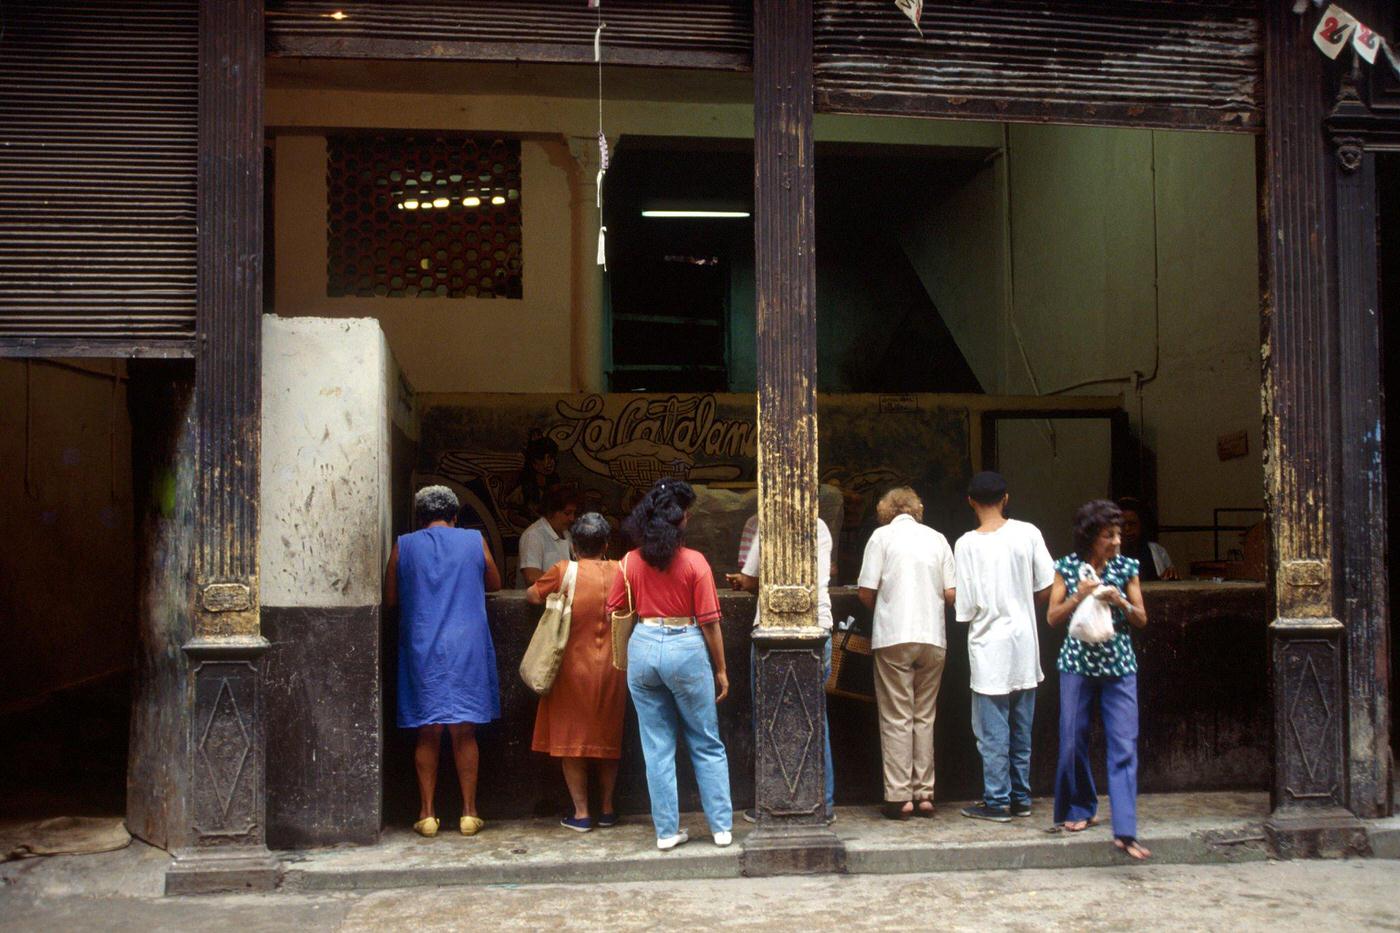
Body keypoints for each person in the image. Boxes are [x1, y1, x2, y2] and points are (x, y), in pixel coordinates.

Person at [606, 479, 733, 851]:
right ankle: (721, 828)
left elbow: (614, 609)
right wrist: (721, 669)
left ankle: (665, 832)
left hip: (642, 649)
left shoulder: (628, 561)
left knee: (657, 747)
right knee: (706, 742)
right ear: (681, 521)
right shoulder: (695, 563)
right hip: (686, 648)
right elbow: (710, 621)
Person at [385, 485, 503, 838]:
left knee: (428, 730)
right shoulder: (474, 541)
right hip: (466, 646)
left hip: (423, 646)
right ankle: (469, 813)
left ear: (420, 518)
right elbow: (495, 582)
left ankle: (427, 814)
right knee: (464, 731)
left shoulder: (403, 546)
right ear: (455, 516)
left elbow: (391, 598)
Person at [1046, 499, 1152, 861]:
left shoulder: (1127, 568)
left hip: (1119, 666)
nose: (1118, 541)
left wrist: (1120, 602)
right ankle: (1079, 807)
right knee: (1072, 739)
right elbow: (1052, 617)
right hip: (1076, 663)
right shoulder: (1067, 567)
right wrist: (1081, 594)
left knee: (1123, 744)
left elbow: (1141, 619)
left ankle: (1125, 829)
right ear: (1091, 536)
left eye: (1119, 533)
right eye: (1110, 534)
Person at [953, 472, 1055, 823]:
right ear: (1006, 498)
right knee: (1021, 730)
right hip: (1025, 646)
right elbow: (1047, 585)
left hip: (988, 649)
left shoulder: (966, 544)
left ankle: (997, 802)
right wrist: (1024, 609)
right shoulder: (1028, 533)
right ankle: (1021, 798)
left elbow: (964, 609)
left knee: (992, 733)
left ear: (970, 501)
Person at [726, 517, 837, 824]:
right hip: (820, 622)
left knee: (770, 718)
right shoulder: (822, 526)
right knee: (817, 718)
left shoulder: (769, 523)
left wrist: (741, 580)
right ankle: (823, 804)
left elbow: (750, 578)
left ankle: (776, 802)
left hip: (772, 628)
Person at [857, 487, 957, 820]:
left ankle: (901, 797)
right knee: (923, 716)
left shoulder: (881, 537)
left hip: (894, 636)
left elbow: (866, 592)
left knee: (897, 716)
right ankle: (925, 794)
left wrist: (888, 607)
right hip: (932, 636)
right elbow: (951, 592)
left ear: (885, 510)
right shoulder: (938, 538)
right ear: (917, 509)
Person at [525, 512, 626, 833]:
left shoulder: (563, 571)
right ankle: (608, 809)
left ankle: (582, 813)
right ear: (606, 544)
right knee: (608, 738)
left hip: (571, 669)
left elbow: (531, 594)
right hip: (614, 667)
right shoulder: (621, 570)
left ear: (574, 546)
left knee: (572, 741)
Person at [516, 485, 579, 588]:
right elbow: (531, 577)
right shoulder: (533, 536)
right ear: (551, 512)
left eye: (574, 513)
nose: (572, 518)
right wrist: (565, 582)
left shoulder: (567, 534)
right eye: (567, 513)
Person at [1116, 497, 1178, 581]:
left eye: (1132, 524)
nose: (1127, 529)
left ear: (1141, 525)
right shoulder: (1106, 554)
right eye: (1123, 524)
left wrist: (1171, 575)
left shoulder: (1158, 551)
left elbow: (1169, 579)